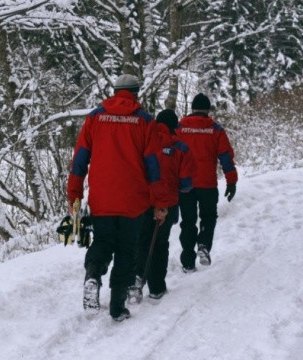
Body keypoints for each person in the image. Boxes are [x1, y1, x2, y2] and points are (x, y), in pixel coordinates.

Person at [67, 74, 170, 321]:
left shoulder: (94, 118)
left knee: (102, 242)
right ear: (136, 93)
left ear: (115, 92)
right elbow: (154, 167)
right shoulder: (145, 121)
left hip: (102, 198)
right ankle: (117, 305)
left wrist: (74, 195)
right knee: (126, 251)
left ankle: (93, 274)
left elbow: (79, 159)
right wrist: (160, 203)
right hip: (134, 201)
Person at [128, 109, 196, 302]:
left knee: (141, 242)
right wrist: (182, 189)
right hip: (167, 202)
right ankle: (156, 288)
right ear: (174, 126)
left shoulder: (141, 141)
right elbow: (186, 181)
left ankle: (136, 278)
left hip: (142, 201)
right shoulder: (180, 147)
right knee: (159, 244)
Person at [176, 93, 237, 272]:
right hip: (207, 184)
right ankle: (203, 244)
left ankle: (187, 261)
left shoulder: (180, 128)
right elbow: (225, 156)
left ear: (192, 109)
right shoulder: (215, 129)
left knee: (188, 221)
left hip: (185, 184)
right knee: (208, 217)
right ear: (208, 110)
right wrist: (231, 181)